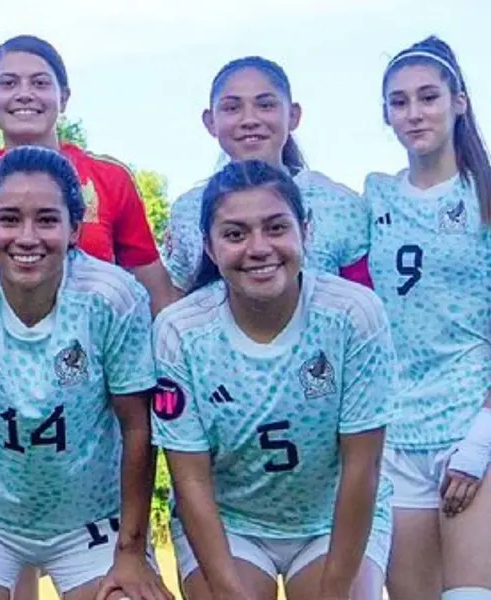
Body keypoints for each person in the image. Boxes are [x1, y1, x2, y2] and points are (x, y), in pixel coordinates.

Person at [0, 145, 171, 600]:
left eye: (47, 220)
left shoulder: (114, 297)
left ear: (75, 229)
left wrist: (131, 550)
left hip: (90, 518)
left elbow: (137, 427)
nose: (27, 237)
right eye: (10, 219)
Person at [152, 160, 394, 600]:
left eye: (276, 228)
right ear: (209, 247)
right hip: (230, 521)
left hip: (331, 518)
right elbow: (191, 480)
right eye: (235, 234)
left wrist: (336, 589)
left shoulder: (353, 314)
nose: (258, 248)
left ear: (306, 230)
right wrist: (227, 591)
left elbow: (363, 465)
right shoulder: (179, 331)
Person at [365, 36, 491, 600]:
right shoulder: (375, 198)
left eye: (428, 97)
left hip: (472, 425)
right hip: (399, 435)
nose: (414, 113)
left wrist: (480, 442)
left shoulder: (484, 196)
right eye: (399, 102)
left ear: (458, 102)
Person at [0, 35, 178, 316]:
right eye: (8, 83)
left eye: (40, 83)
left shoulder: (110, 179)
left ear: (64, 97)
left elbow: (157, 295)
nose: (24, 94)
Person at [162, 56, 373, 292]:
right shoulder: (188, 210)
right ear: (210, 121)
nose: (249, 120)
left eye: (265, 105)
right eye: (232, 108)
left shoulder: (340, 204)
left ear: (293, 116)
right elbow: (177, 297)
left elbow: (366, 299)